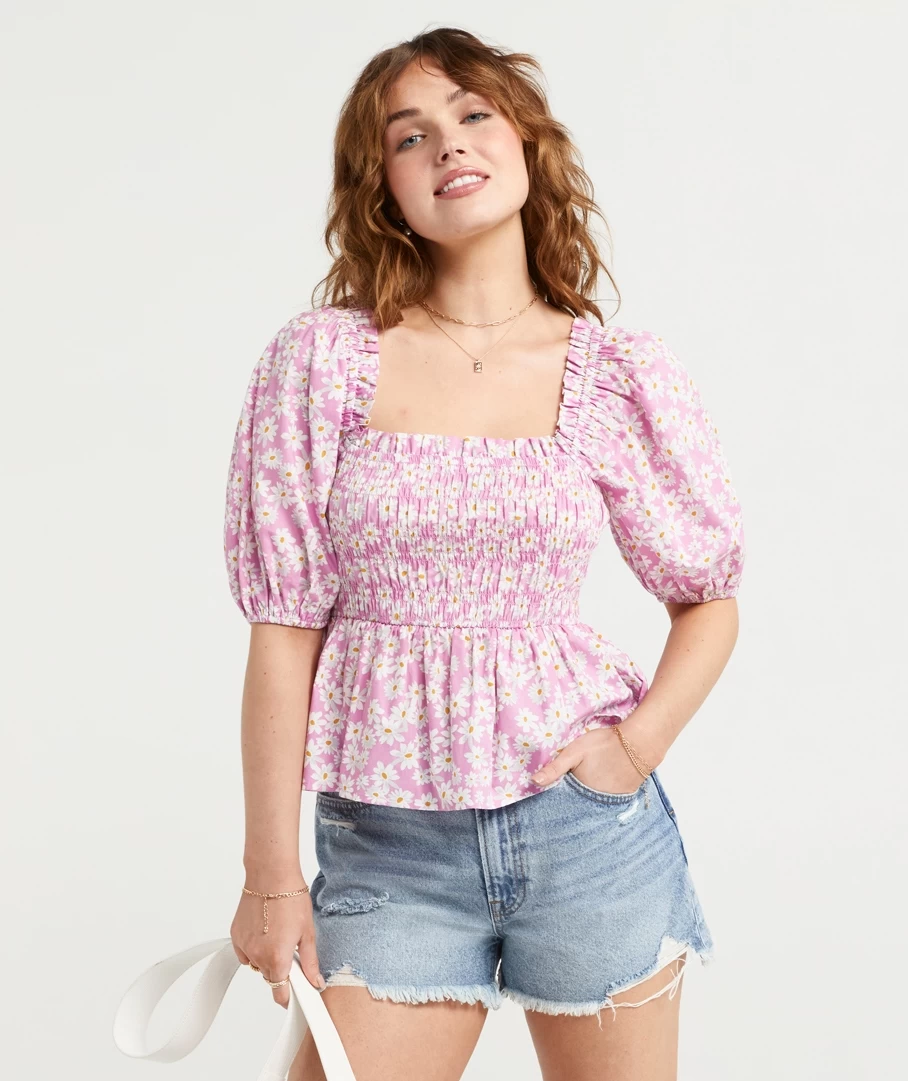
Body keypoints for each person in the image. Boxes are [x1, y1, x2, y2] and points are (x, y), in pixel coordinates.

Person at [224, 26, 745, 1081]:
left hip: (585, 836)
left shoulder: (613, 375)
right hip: (391, 849)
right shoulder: (321, 363)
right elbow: (283, 630)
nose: (447, 144)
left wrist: (631, 750)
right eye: (408, 135)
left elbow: (709, 597)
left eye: (472, 114)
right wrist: (270, 873)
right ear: (382, 186)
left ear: (525, 145)